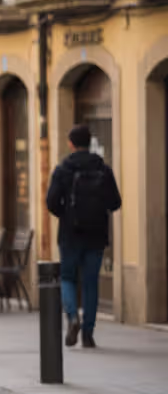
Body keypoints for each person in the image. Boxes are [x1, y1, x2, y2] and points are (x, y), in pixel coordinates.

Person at [45, 124, 122, 348]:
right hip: (96, 235)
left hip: (70, 235)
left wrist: (66, 215)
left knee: (68, 278)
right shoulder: (103, 169)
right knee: (91, 283)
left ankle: (72, 317)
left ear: (71, 143)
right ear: (90, 143)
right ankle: (88, 334)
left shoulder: (63, 169)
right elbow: (115, 202)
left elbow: (51, 202)